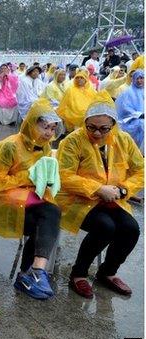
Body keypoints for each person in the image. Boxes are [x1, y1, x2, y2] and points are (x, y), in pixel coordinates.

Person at [57, 93, 143, 299]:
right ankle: (78, 274)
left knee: (131, 229)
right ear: (85, 122)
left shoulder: (123, 140)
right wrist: (97, 189)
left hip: (113, 198)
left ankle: (107, 272)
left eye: (104, 128)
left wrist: (123, 190)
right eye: (91, 127)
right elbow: (64, 175)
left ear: (113, 124)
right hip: (77, 199)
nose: (97, 133)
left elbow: (140, 170)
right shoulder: (73, 141)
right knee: (105, 227)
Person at [0, 98, 62, 299]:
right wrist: (29, 177)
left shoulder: (44, 147)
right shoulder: (10, 146)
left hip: (28, 201)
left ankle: (29, 274)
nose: (49, 133)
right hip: (2, 202)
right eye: (44, 127)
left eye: (53, 129)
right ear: (31, 123)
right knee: (50, 213)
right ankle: (32, 273)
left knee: (46, 218)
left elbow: (42, 176)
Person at [116, 69, 144, 153]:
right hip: (130, 121)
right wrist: (139, 115)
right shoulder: (128, 92)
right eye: (137, 78)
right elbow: (125, 108)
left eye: (141, 78)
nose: (139, 81)